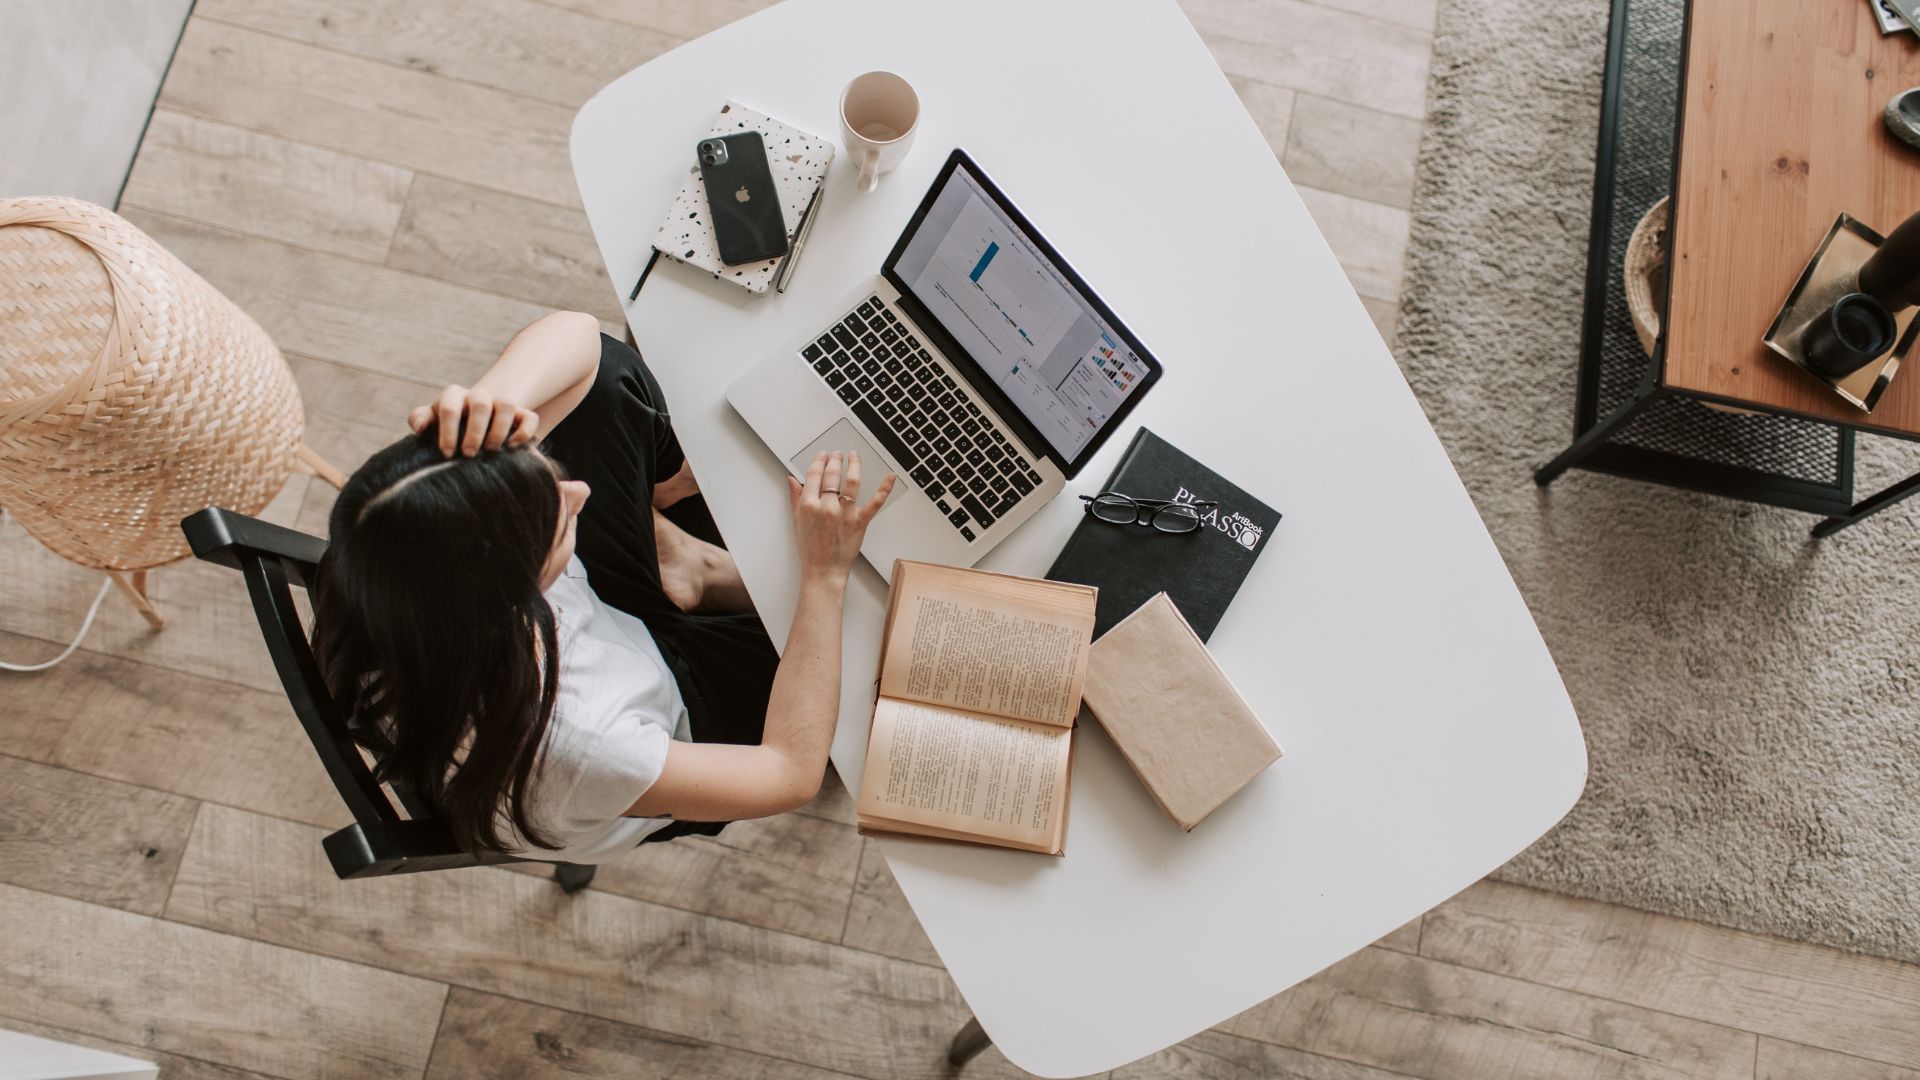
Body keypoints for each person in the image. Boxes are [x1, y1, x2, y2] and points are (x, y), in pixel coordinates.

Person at [311, 310, 893, 863]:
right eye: (555, 516)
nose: (579, 495)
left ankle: (685, 567)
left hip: (593, 636)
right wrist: (823, 572)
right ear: (517, 595)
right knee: (869, 649)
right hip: (673, 717)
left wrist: (496, 400)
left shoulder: (387, 549)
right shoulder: (585, 745)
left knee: (610, 380)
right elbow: (788, 773)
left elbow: (583, 342)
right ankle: (692, 569)